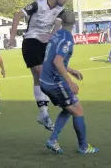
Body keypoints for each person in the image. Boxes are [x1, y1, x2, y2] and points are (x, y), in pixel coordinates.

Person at [8, 0, 71, 131]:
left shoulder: (61, 10)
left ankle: (43, 114)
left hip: (45, 42)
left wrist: (51, 37)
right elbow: (18, 15)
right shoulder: (38, 4)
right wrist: (12, 38)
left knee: (39, 77)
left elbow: (56, 26)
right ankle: (55, 103)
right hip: (31, 40)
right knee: (42, 73)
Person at [40, 11, 99, 154]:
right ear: (74, 23)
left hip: (44, 80)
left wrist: (71, 70)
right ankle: (84, 147)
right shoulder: (67, 38)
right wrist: (70, 81)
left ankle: (53, 140)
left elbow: (54, 59)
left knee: (68, 108)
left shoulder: (56, 34)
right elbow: (57, 61)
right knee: (78, 110)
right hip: (55, 82)